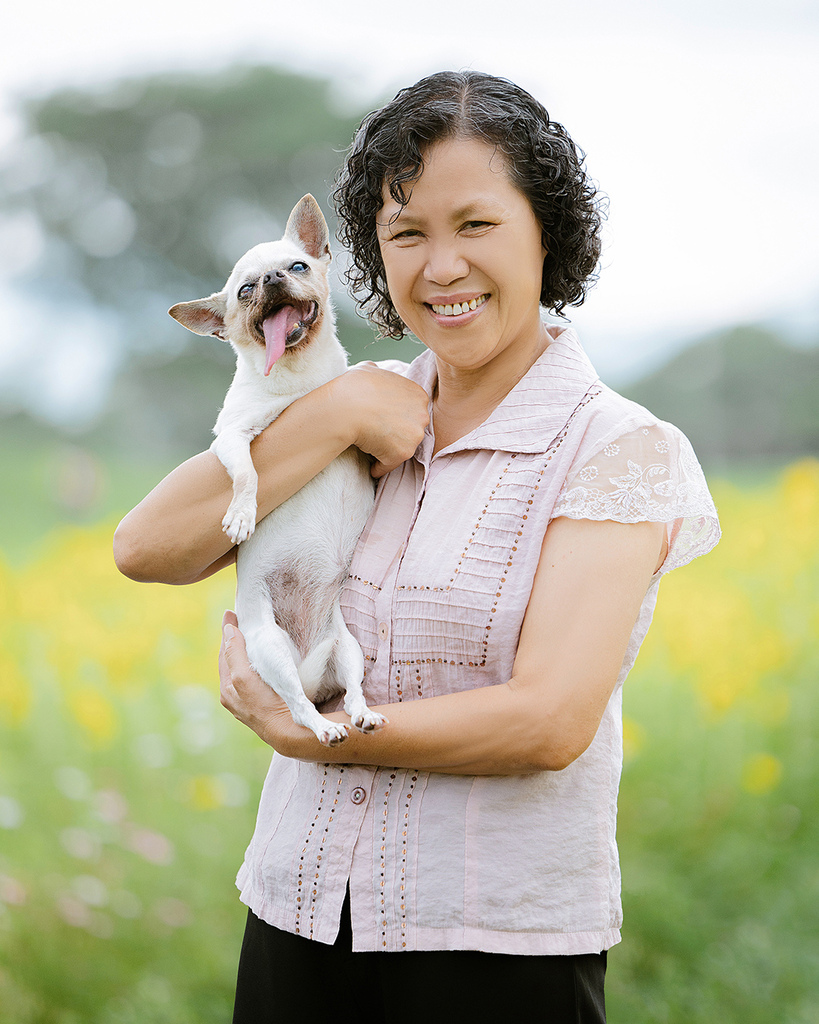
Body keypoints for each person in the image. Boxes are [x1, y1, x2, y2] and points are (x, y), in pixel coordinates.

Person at [114, 70, 720, 1023]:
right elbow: (147, 547)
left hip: (492, 951)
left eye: (475, 226)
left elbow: (548, 722)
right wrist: (342, 406)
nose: (440, 267)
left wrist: (316, 738)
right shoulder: (349, 411)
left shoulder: (616, 448)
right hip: (296, 917)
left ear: (546, 232)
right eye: (406, 235)